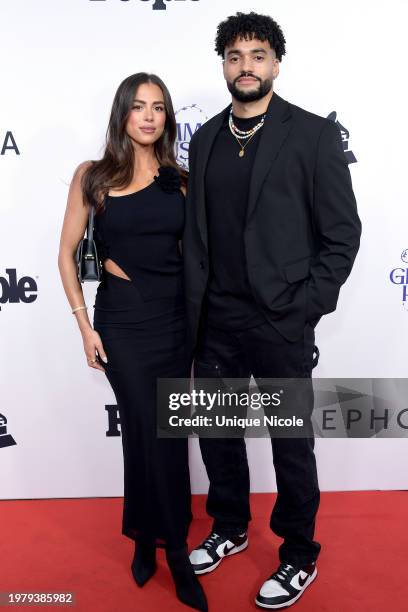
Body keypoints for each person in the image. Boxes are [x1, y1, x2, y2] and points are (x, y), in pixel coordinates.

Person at [183, 11, 362, 609]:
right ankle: (230, 526)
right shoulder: (206, 137)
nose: (246, 67)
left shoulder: (311, 135)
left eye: (257, 55)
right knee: (217, 434)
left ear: (276, 63)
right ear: (224, 67)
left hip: (281, 320)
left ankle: (298, 555)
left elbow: (342, 234)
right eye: (234, 57)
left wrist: (305, 306)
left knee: (290, 444)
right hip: (217, 320)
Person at [58, 73, 207, 612]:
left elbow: (198, 257)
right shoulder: (92, 177)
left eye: (159, 108)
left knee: (167, 438)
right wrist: (84, 327)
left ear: (167, 119)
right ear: (122, 113)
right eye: (139, 106)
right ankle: (163, 545)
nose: (148, 116)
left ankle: (163, 544)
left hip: (174, 323)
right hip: (121, 322)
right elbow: (67, 254)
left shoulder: (181, 181)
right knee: (145, 432)